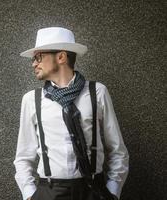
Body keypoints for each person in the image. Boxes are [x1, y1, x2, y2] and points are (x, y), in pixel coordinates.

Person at [13, 27, 129, 200]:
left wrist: (112, 192)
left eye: (39, 57)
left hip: (93, 191)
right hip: (49, 192)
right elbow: (23, 156)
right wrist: (30, 195)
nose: (34, 63)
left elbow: (117, 150)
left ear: (61, 57)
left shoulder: (97, 92)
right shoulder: (32, 100)